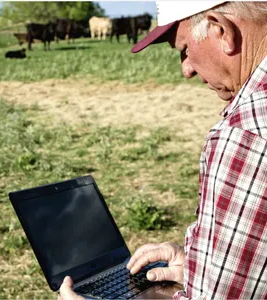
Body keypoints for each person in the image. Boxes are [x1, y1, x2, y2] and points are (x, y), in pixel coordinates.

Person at [58, 1, 267, 299]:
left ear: (222, 30)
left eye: (183, 49)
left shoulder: (245, 134)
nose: (187, 69)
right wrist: (200, 265)